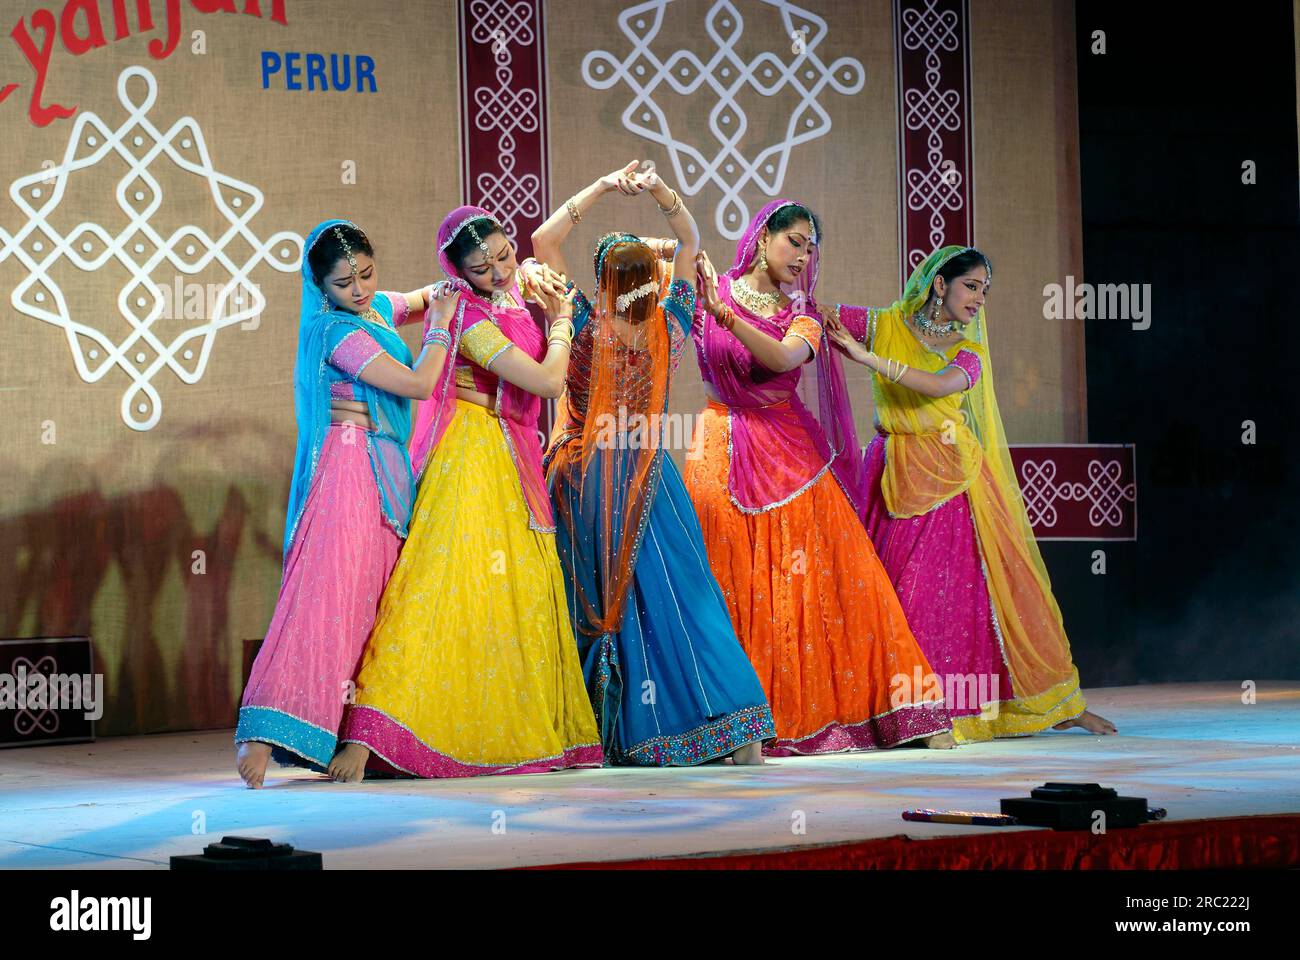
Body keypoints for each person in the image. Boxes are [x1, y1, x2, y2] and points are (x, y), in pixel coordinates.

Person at [329, 207, 601, 780]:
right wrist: (558, 325)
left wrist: (599, 192)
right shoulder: (469, 318)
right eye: (482, 268)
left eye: (504, 256)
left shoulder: (517, 283)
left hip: (515, 453)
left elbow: (547, 246)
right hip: (473, 456)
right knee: (440, 588)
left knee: (512, 597)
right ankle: (376, 733)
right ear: (459, 274)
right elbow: (548, 382)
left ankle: (500, 724)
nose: (500, 272)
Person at [684, 201, 954, 754]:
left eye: (811, 248)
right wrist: (664, 198)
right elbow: (678, 245)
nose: (804, 256)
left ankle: (900, 711)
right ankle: (741, 721)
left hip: (791, 455)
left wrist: (727, 315)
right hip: (718, 446)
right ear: (762, 239)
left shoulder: (800, 314)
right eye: (796, 242)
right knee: (727, 582)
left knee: (833, 582)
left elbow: (783, 361)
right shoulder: (708, 291)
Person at [532, 165, 775, 765]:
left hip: (591, 477)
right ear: (654, 280)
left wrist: (605, 186)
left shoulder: (583, 319)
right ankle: (734, 730)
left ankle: (617, 730)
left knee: (609, 601)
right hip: (653, 473)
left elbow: (542, 242)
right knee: (684, 595)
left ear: (601, 280)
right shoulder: (671, 319)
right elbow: (691, 244)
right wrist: (663, 197)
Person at [826, 245, 1117, 740]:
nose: (980, 298)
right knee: (889, 596)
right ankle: (900, 711)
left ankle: (1017, 705)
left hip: (953, 478)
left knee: (950, 596)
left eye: (985, 290)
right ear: (939, 284)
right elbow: (815, 317)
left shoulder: (969, 349)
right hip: (893, 475)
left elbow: (940, 386)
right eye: (971, 286)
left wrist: (867, 358)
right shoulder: (883, 324)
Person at [235, 219, 451, 787]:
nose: (357, 289)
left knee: (371, 608)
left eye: (366, 273)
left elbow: (421, 296)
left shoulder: (373, 308)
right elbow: (418, 385)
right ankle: (264, 730)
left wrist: (460, 287)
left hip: (386, 474)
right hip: (349, 472)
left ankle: (352, 734)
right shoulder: (334, 333)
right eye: (342, 282)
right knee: (325, 597)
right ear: (320, 287)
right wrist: (443, 329)